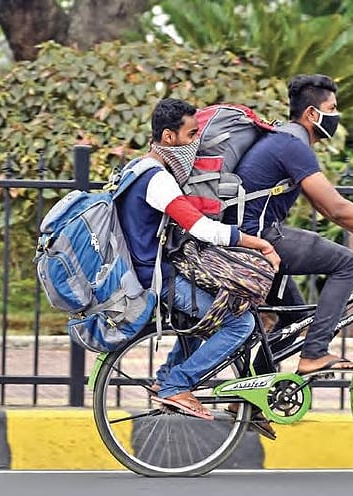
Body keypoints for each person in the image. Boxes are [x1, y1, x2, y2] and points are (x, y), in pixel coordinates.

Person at [225, 74, 353, 378]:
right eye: (332, 108)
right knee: (347, 262)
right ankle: (315, 353)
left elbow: (326, 208)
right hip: (258, 239)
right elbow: (337, 207)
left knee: (295, 317)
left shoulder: (285, 139)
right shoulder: (292, 146)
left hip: (250, 236)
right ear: (312, 113)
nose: (337, 116)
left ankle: (252, 390)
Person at [116, 98, 280, 420]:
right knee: (240, 323)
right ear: (168, 137)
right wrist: (257, 243)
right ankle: (178, 384)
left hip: (141, 269)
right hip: (155, 276)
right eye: (191, 135)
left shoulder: (135, 168)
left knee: (203, 318)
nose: (196, 143)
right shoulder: (157, 180)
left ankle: (166, 377)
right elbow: (201, 228)